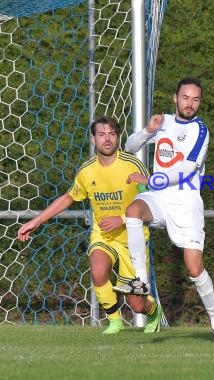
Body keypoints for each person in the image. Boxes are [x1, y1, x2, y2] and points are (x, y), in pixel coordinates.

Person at [17, 116, 163, 334]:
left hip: (133, 239)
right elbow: (68, 198)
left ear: (118, 137)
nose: (107, 139)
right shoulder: (87, 171)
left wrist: (122, 219)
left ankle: (154, 312)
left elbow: (153, 204)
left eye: (112, 134)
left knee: (138, 304)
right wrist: (36, 221)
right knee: (97, 270)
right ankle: (114, 321)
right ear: (93, 139)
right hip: (103, 236)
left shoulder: (133, 165)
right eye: (102, 134)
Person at [113, 77, 214, 345]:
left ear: (200, 102)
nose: (190, 103)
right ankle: (141, 281)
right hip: (158, 199)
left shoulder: (201, 130)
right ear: (175, 98)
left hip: (186, 203)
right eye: (185, 98)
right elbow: (129, 148)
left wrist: (151, 180)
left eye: (196, 99)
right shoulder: (162, 122)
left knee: (194, 269)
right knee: (133, 211)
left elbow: (188, 170)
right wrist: (147, 130)